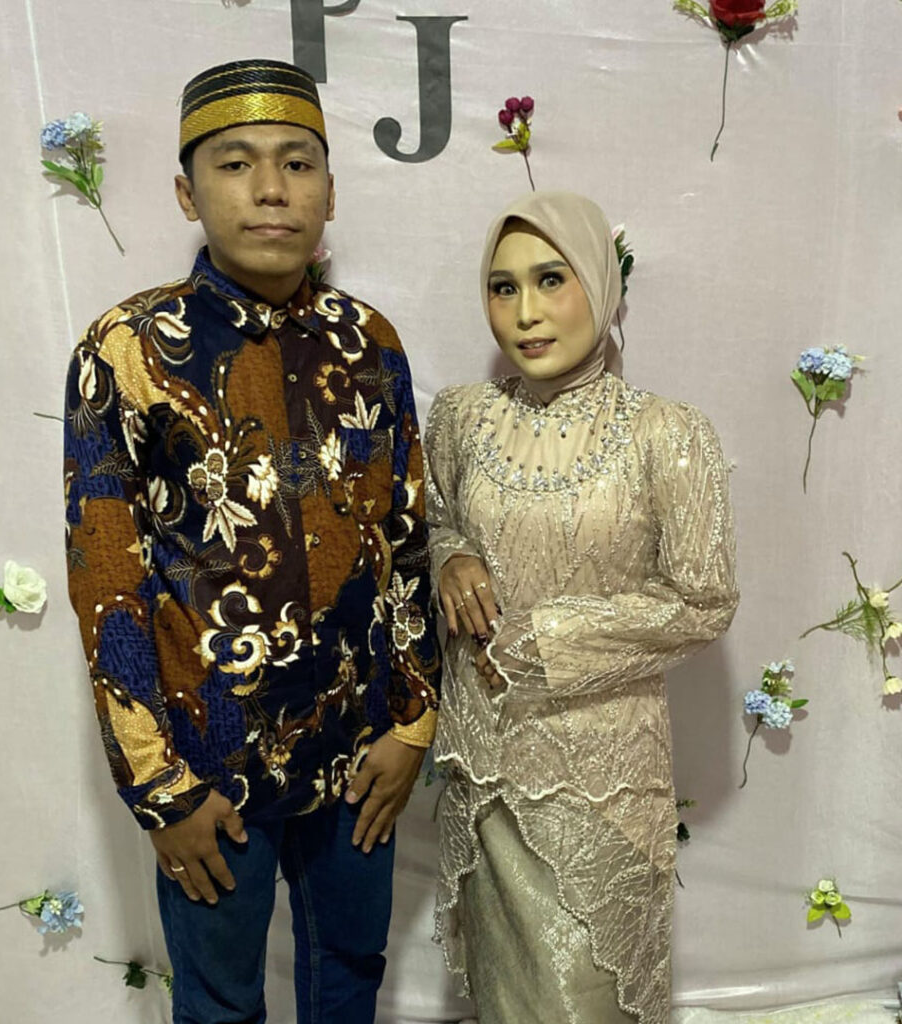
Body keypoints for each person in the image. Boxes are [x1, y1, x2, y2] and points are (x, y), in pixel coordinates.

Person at [63, 59, 439, 1024]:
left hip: (359, 751)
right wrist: (160, 788)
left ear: (329, 191)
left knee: (349, 973)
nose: (272, 188)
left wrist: (413, 723)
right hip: (207, 768)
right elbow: (107, 585)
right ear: (187, 192)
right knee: (220, 1003)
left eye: (298, 163)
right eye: (235, 163)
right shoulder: (127, 350)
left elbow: (406, 540)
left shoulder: (372, 342)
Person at [424, 190, 739, 1024]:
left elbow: (703, 600)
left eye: (550, 280)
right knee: (507, 997)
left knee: (584, 999)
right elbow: (432, 516)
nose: (525, 313)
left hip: (604, 782)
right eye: (503, 287)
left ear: (601, 282)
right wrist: (450, 555)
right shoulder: (461, 417)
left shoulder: (668, 433)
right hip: (485, 771)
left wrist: (553, 638)